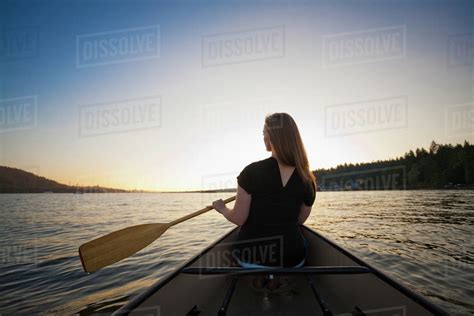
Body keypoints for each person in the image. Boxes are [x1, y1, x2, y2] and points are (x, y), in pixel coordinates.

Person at [212, 113, 316, 288]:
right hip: (292, 259)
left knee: (237, 243)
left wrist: (222, 208)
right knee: (302, 241)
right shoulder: (307, 179)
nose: (262, 137)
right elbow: (300, 220)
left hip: (251, 257)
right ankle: (280, 282)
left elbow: (238, 219)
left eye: (263, 133)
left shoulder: (251, 172)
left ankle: (256, 279)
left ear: (271, 136)